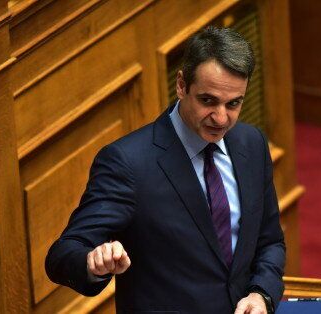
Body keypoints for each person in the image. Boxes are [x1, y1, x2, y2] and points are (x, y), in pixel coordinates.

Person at [46, 26, 285, 314]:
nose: (221, 118)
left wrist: (261, 294)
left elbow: (270, 241)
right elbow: (62, 254)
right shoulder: (127, 163)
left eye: (233, 104)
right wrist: (92, 262)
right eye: (208, 100)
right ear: (182, 85)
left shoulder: (252, 143)